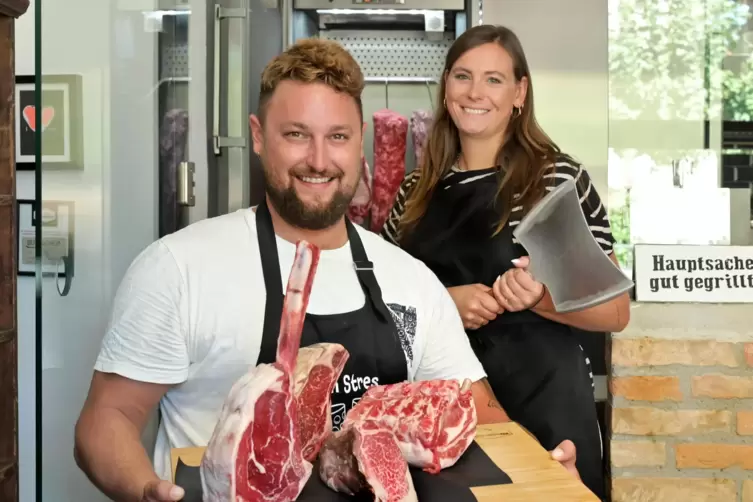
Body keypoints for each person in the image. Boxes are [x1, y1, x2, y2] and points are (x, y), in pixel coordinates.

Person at [72, 38, 578, 502]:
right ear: (257, 135)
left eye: (337, 136)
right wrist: (145, 490)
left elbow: (481, 416)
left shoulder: (411, 279)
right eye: (296, 134)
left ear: (359, 140)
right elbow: (108, 417)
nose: (318, 160)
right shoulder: (179, 267)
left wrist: (543, 468)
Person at [381, 25, 630, 500]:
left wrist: (538, 299)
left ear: (519, 92)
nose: (476, 93)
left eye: (494, 80)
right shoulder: (414, 192)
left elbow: (615, 312)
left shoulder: (556, 180)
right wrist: (443, 304)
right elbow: (376, 308)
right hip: (441, 414)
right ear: (446, 88)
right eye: (463, 76)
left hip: (546, 404)